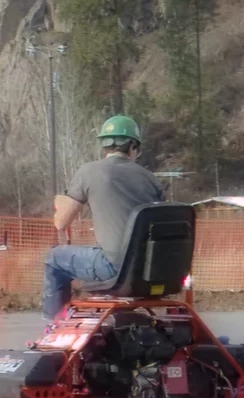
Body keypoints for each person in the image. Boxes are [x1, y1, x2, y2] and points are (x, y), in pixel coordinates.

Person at [43, 115, 165, 324]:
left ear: (104, 146)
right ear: (134, 147)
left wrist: (60, 202)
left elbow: (60, 223)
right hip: (151, 271)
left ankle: (54, 327)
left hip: (114, 268)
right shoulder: (150, 179)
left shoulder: (89, 171)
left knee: (54, 258)